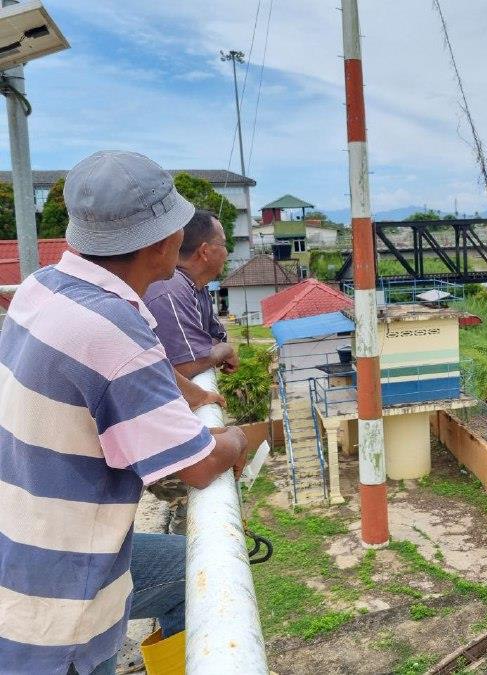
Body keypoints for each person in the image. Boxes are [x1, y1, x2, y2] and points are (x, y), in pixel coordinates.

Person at [0, 151, 249, 675]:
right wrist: (239, 440)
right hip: (59, 607)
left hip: (17, 547)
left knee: (182, 567)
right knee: (189, 578)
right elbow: (199, 465)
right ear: (161, 243)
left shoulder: (42, 287)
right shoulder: (112, 331)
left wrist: (191, 393)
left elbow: (127, 368)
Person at [144, 209, 238, 379]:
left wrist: (212, 348)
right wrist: (225, 350)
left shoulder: (196, 287)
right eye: (224, 245)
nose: (227, 253)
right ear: (205, 252)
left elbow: (216, 336)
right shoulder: (170, 290)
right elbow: (185, 365)